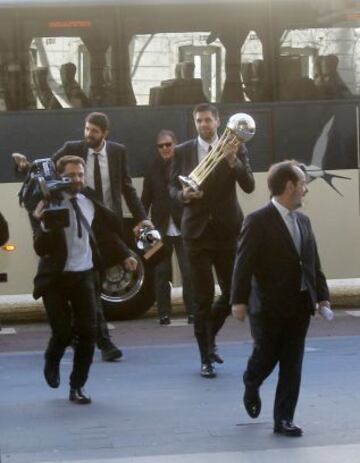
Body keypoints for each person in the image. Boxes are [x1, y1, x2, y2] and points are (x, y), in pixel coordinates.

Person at [13, 112, 152, 361]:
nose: (88, 134)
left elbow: (127, 187)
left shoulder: (118, 152)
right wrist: (24, 166)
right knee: (87, 286)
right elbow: (45, 170)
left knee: (93, 285)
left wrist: (141, 217)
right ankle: (98, 341)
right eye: (87, 129)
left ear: (105, 134)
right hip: (76, 224)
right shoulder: (72, 149)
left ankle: (95, 339)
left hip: (102, 226)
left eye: (94, 131)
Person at [231, 160, 331, 437]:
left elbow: (312, 262)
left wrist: (322, 296)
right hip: (269, 307)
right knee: (266, 356)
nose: (305, 190)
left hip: (300, 305)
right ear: (290, 187)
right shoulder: (258, 221)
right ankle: (252, 381)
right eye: (303, 184)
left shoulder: (304, 221)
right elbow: (244, 263)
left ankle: (284, 419)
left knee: (292, 363)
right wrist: (238, 300)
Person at [31, 155, 137, 404]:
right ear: (59, 178)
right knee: (63, 332)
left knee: (89, 333)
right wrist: (43, 224)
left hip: (84, 275)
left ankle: (77, 386)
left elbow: (103, 232)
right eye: (70, 176)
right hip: (55, 278)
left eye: (80, 174)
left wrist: (124, 254)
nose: (77, 180)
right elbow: (40, 248)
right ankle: (52, 360)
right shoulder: (48, 204)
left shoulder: (89, 201)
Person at [169, 103, 255, 378]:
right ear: (195, 123)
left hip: (227, 232)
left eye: (208, 120)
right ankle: (205, 357)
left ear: (218, 121)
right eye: (199, 121)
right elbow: (170, 187)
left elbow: (249, 185)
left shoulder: (236, 147)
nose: (204, 124)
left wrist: (233, 161)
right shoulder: (182, 151)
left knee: (232, 293)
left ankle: (210, 336)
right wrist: (183, 196)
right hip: (195, 233)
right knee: (202, 298)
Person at [141, 130, 196, 325]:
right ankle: (163, 314)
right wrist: (142, 225)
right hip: (157, 229)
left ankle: (193, 313)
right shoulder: (151, 167)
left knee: (189, 271)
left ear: (175, 144)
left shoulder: (186, 165)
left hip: (184, 225)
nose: (165, 148)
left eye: (168, 144)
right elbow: (145, 197)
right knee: (160, 273)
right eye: (161, 146)